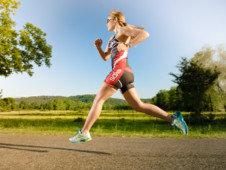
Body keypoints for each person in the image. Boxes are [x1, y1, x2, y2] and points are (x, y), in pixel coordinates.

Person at [69, 10, 188, 143]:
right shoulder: (112, 38)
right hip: (125, 73)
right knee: (139, 106)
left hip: (119, 71)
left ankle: (84, 132)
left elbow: (145, 34)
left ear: (115, 20)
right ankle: (173, 119)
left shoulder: (123, 30)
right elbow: (105, 57)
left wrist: (127, 45)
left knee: (98, 100)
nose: (106, 23)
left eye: (107, 20)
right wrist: (98, 47)